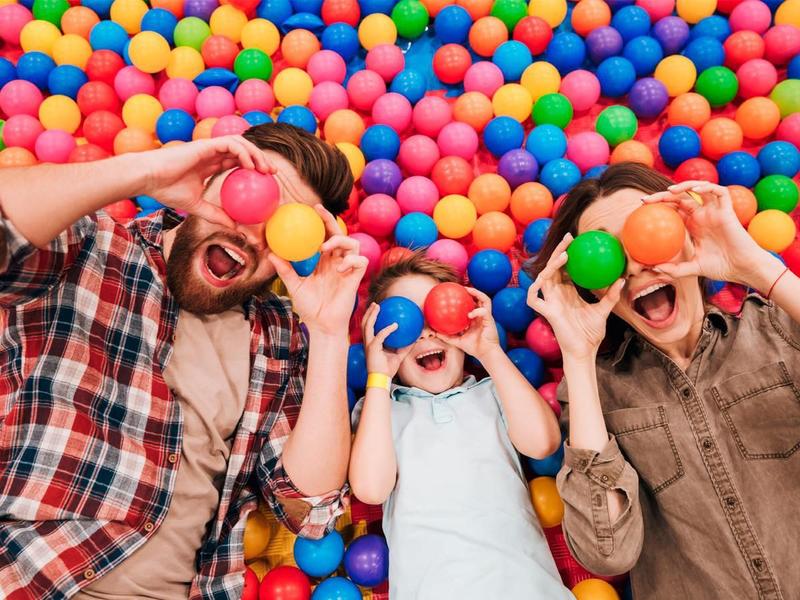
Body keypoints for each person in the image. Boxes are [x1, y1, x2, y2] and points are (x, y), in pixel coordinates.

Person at [0, 124, 366, 599]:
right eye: (251, 196)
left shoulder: (278, 334)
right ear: (212, 182)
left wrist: (330, 332)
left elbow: (309, 512)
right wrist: (146, 173)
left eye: (284, 225)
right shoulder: (93, 248)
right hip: (32, 579)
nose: (253, 233)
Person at [525, 162, 800, 599]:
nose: (634, 267)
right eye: (607, 255)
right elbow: (606, 551)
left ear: (687, 235)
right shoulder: (597, 393)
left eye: (647, 235)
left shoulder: (776, 330)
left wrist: (755, 268)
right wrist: (576, 356)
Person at [349, 253, 574, 600]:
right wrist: (379, 376)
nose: (424, 332)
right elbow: (371, 489)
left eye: (438, 314)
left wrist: (489, 353)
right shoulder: (383, 409)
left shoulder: (493, 393)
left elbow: (543, 443)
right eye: (405, 320)